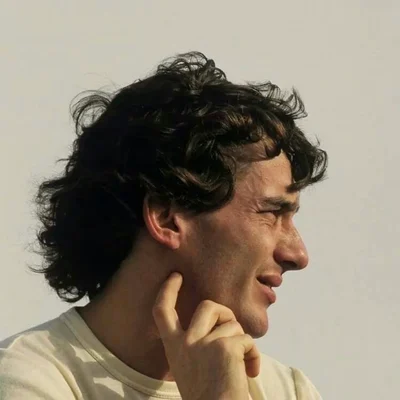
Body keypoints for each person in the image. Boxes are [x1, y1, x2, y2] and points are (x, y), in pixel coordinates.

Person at [0, 52, 327, 399]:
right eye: (272, 213)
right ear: (166, 218)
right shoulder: (27, 380)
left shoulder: (288, 391)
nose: (298, 254)